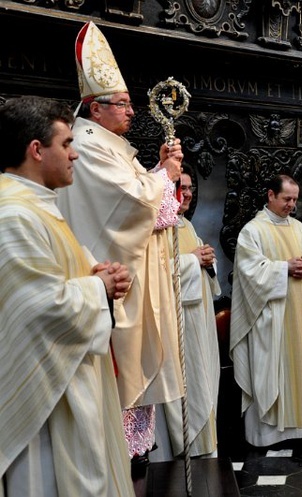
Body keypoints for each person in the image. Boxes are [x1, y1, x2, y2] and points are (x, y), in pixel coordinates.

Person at [57, 21, 184, 468]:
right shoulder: (88, 147)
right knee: (119, 383)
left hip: (129, 279)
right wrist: (164, 176)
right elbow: (132, 206)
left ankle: (132, 464)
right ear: (95, 109)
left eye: (131, 104)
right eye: (123, 104)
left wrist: (159, 172)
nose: (131, 113)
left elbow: (144, 201)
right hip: (112, 283)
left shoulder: (112, 147)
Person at [0, 97, 134, 496]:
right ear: (37, 150)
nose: (75, 154)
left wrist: (97, 275)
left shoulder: (38, 206)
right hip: (44, 401)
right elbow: (37, 309)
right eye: (67, 144)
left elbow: (55, 279)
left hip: (67, 383)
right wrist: (99, 288)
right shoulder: (14, 214)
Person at [231, 175, 302, 446]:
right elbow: (249, 272)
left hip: (300, 314)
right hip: (270, 318)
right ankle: (267, 436)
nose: (291, 205)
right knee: (270, 369)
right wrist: (284, 267)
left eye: (295, 200)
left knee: (301, 365)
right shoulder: (253, 230)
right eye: (287, 199)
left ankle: (300, 429)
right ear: (270, 195)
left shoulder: (299, 229)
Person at [160, 166, 221, 457]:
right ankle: (188, 446)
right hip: (175, 324)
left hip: (199, 322)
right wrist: (192, 260)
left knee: (204, 381)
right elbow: (153, 274)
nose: (186, 195)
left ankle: (205, 445)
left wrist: (208, 263)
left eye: (190, 190)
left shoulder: (186, 226)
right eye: (180, 188)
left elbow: (200, 269)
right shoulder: (157, 227)